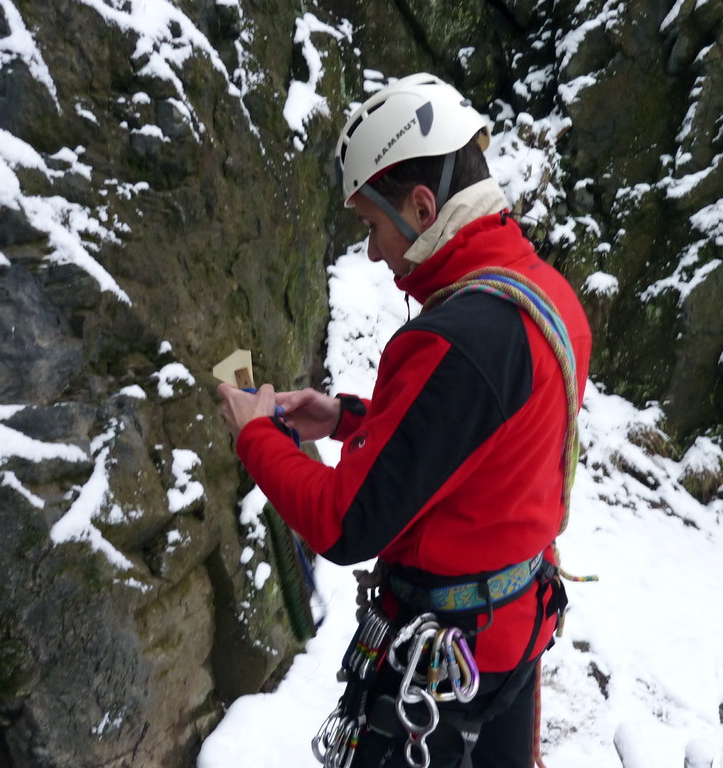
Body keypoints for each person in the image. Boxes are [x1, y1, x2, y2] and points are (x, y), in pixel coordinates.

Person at [217, 73, 592, 768]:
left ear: (423, 207)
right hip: (511, 635)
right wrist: (343, 418)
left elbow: (343, 521)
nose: (372, 250)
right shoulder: (547, 295)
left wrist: (255, 435)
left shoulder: (457, 337)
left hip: (441, 672)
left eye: (372, 225)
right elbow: (479, 436)